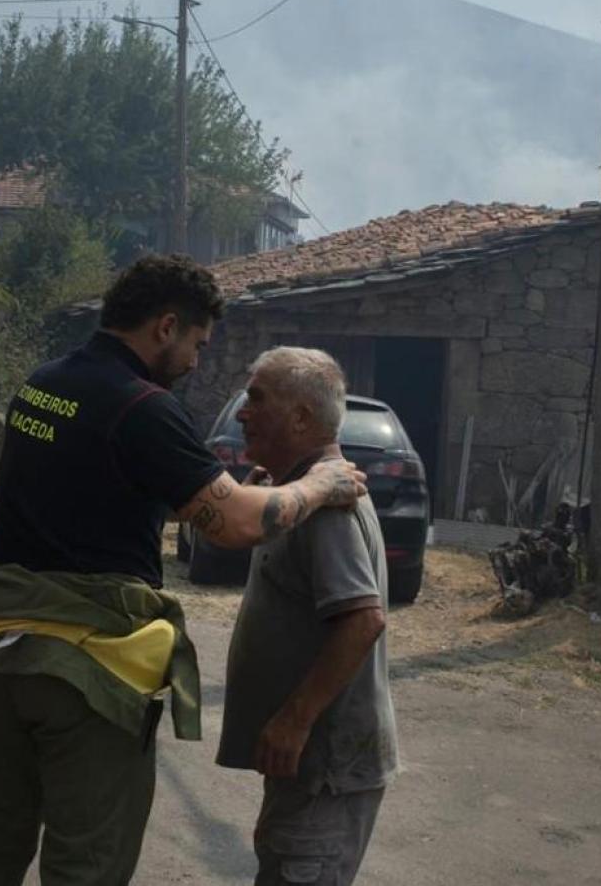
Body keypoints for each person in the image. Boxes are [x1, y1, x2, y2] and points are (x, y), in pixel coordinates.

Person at [0, 256, 368, 886]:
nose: (196, 362)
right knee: (88, 863)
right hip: (80, 672)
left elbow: (102, 488)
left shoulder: (44, 383)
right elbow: (235, 525)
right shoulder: (142, 407)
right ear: (166, 327)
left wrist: (239, 489)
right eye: (198, 343)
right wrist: (322, 483)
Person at [216, 347, 399, 886]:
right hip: (309, 768)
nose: (242, 413)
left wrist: (295, 721)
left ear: (300, 418)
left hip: (326, 769)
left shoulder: (326, 509)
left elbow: (363, 621)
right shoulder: (299, 493)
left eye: (257, 400)